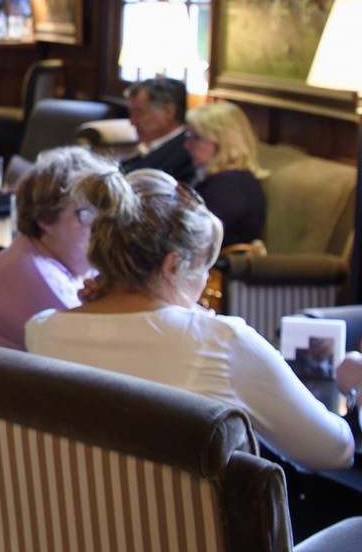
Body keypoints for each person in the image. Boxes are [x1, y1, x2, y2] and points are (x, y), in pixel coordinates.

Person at [26, 169, 358, 472]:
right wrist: (357, 388)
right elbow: (331, 452)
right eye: (203, 268)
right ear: (172, 265)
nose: (204, 283)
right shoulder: (223, 343)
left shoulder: (42, 331)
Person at [0, 145, 118, 350]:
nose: (99, 227)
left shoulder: (57, 258)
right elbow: (99, 349)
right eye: (85, 215)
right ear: (45, 218)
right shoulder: (30, 273)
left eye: (102, 214)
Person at [184, 100, 268, 248]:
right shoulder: (225, 178)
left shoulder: (229, 186)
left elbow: (195, 239)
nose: (187, 144)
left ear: (223, 141)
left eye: (195, 137)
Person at [119, 76, 194, 184]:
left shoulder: (186, 154)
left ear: (169, 112)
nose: (132, 122)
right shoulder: (148, 147)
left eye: (138, 113)